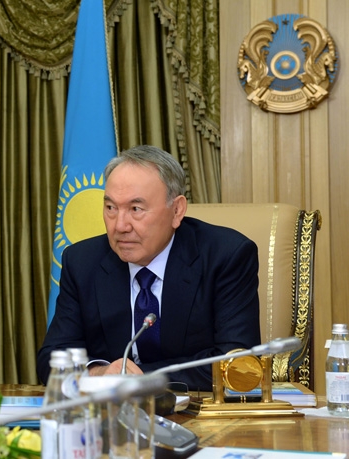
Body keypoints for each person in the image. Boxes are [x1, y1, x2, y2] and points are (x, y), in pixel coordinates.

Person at [38, 145, 261, 390]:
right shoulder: (82, 262)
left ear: (177, 210)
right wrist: (99, 373)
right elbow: (52, 359)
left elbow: (237, 363)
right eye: (111, 208)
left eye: (136, 209)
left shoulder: (225, 256)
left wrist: (140, 378)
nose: (120, 226)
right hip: (111, 410)